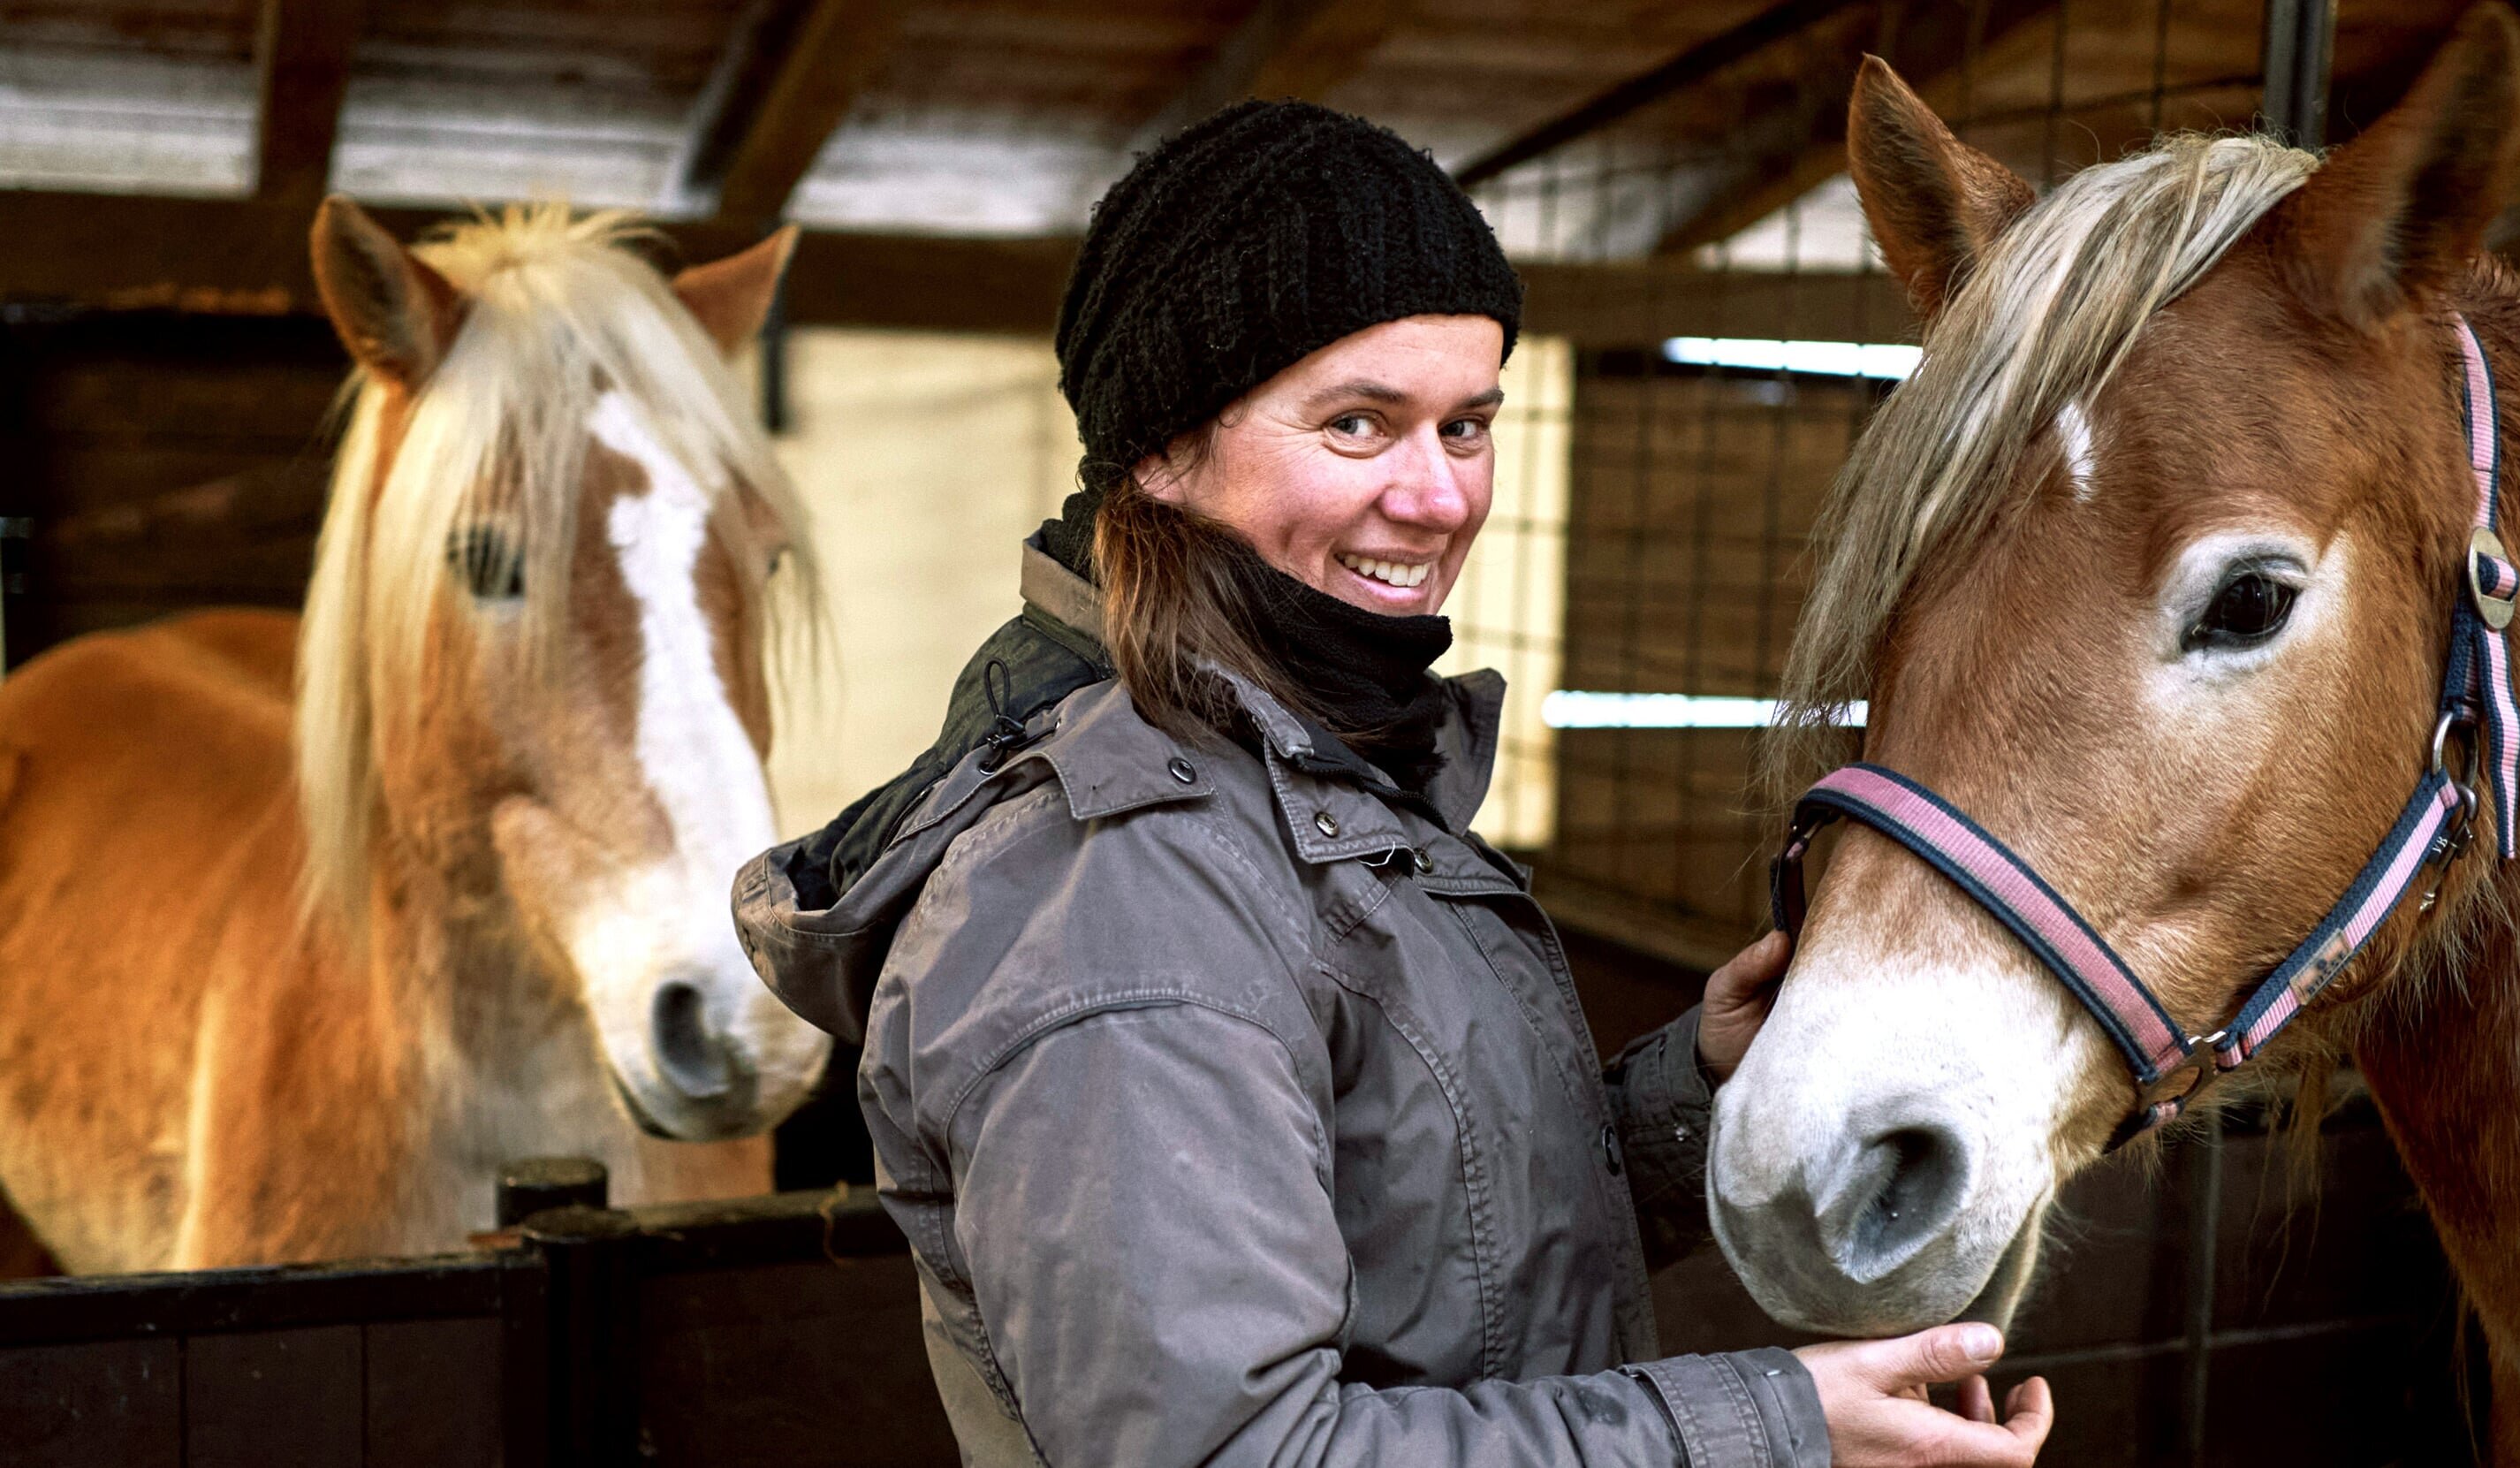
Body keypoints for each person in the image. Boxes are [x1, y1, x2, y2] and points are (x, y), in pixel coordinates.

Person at [734, 101, 2054, 1468]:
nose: (1438, 500)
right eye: (1359, 423)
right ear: (1160, 451)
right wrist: (1772, 1429)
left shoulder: (1307, 758)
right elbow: (1233, 1454)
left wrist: (1691, 1090)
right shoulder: (1116, 887)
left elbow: (1412, 1229)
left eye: (1467, 425)